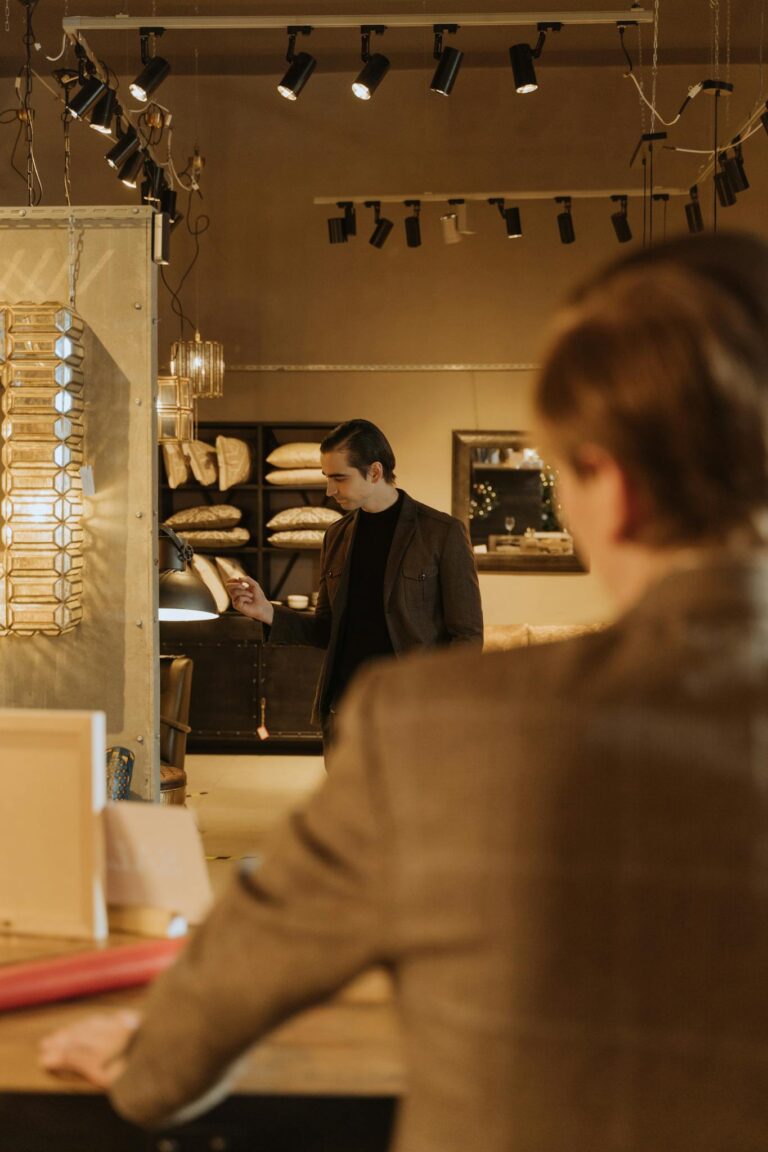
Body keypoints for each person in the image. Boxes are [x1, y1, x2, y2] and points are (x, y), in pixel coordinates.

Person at [40, 231, 768, 1149]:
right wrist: (272, 614)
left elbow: (245, 971)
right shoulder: (345, 551)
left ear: (609, 486)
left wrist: (144, 1062)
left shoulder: (445, 724)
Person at [227, 418, 483, 744]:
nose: (329, 490)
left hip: (413, 714)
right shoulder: (336, 536)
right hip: (343, 712)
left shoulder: (442, 533)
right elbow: (326, 628)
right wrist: (268, 613)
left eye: (339, 478)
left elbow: (468, 637)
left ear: (374, 472)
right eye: (327, 478)